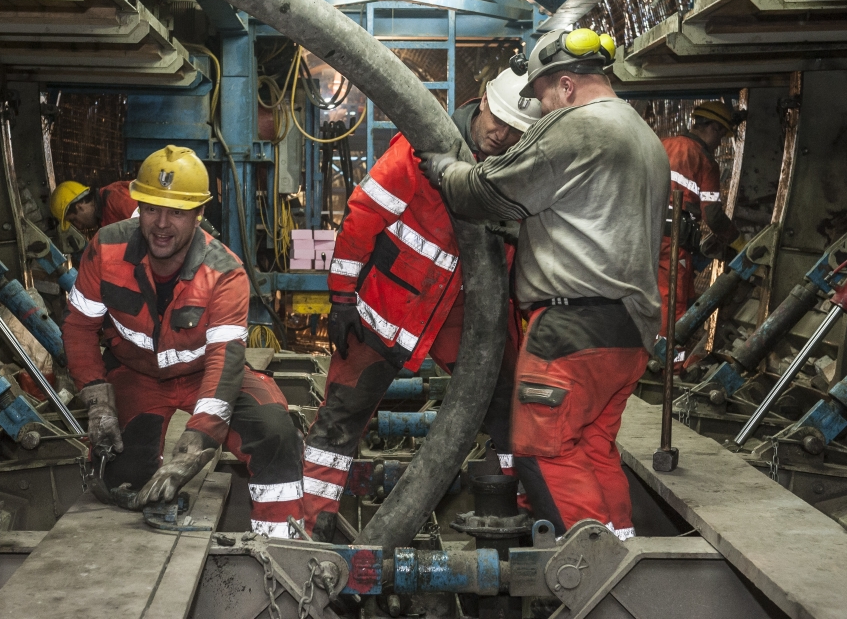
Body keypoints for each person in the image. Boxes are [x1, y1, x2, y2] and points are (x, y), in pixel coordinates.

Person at [419, 28, 669, 541]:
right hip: (630, 330)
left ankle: (593, 578)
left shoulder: (577, 128)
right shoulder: (643, 136)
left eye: (544, 97)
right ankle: (625, 562)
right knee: (592, 449)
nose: (541, 111)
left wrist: (446, 169)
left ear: (568, 87)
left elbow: (486, 192)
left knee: (543, 451)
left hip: (572, 330)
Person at [301, 68, 542, 541]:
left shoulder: (518, 173)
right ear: (483, 101)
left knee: (508, 410)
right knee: (340, 420)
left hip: (461, 318)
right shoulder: (419, 151)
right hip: (384, 312)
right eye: (499, 119)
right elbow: (361, 218)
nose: (502, 133)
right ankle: (314, 526)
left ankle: (514, 514)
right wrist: (341, 297)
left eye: (516, 130)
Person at [62, 145, 305, 538]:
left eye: (177, 211)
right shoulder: (106, 249)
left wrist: (197, 443)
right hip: (138, 375)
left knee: (275, 432)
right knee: (121, 481)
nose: (161, 224)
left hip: (206, 375)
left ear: (199, 214)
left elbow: (224, 360)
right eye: (153, 208)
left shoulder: (224, 273)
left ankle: (278, 541)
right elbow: (78, 327)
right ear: (138, 203)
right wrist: (97, 398)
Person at [659, 101, 745, 330]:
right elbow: (713, 215)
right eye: (722, 135)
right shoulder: (705, 161)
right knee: (673, 304)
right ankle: (670, 364)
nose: (720, 143)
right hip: (672, 242)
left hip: (642, 237)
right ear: (714, 127)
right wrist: (739, 242)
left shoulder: (661, 145)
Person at [50, 179, 138, 232]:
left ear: (79, 206)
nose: (79, 226)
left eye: (74, 220)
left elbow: (149, 225)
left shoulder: (114, 197)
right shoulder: (104, 219)